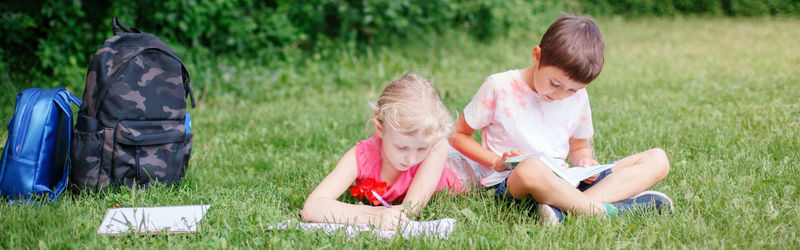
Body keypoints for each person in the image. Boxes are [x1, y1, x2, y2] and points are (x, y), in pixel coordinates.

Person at [447, 13, 673, 225]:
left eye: (572, 90)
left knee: (658, 159)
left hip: (565, 180)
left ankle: (562, 209)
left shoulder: (579, 97)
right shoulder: (499, 86)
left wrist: (585, 163)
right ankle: (606, 210)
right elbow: (457, 135)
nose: (560, 96)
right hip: (511, 181)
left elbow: (580, 146)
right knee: (530, 168)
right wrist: (497, 161)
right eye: (555, 84)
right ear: (537, 56)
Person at [301, 72, 462, 230]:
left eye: (421, 148)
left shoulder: (436, 145)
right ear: (380, 129)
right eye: (402, 147)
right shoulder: (362, 157)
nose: (411, 159)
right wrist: (369, 215)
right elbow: (312, 207)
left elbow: (410, 209)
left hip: (461, 171)